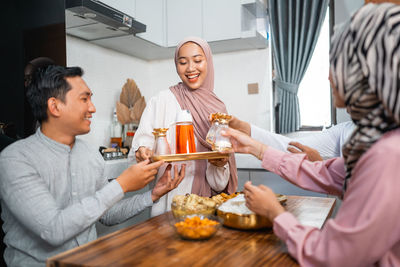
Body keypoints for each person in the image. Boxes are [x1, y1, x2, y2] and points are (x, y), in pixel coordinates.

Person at [222, 3, 400, 266]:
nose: (329, 77)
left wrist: (275, 213)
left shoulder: (388, 154)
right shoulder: (375, 140)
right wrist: (254, 146)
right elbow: (323, 172)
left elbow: (335, 255)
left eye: (337, 63)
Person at [0, 64, 186, 267]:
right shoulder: (15, 160)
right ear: (54, 107)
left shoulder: (90, 154)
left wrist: (152, 195)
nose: (92, 108)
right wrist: (122, 184)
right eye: (84, 99)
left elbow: (106, 214)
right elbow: (53, 230)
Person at [129, 36, 238, 216]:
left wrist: (220, 165)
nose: (190, 68)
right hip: (170, 201)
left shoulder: (218, 110)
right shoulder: (162, 100)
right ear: (176, 65)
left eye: (197, 60)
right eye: (182, 62)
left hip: (207, 206)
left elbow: (219, 185)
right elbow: (139, 155)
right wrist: (141, 151)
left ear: (208, 62)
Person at [229, 116, 355, 161]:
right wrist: (246, 129)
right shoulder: (345, 129)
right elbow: (295, 147)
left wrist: (320, 168)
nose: (329, 78)